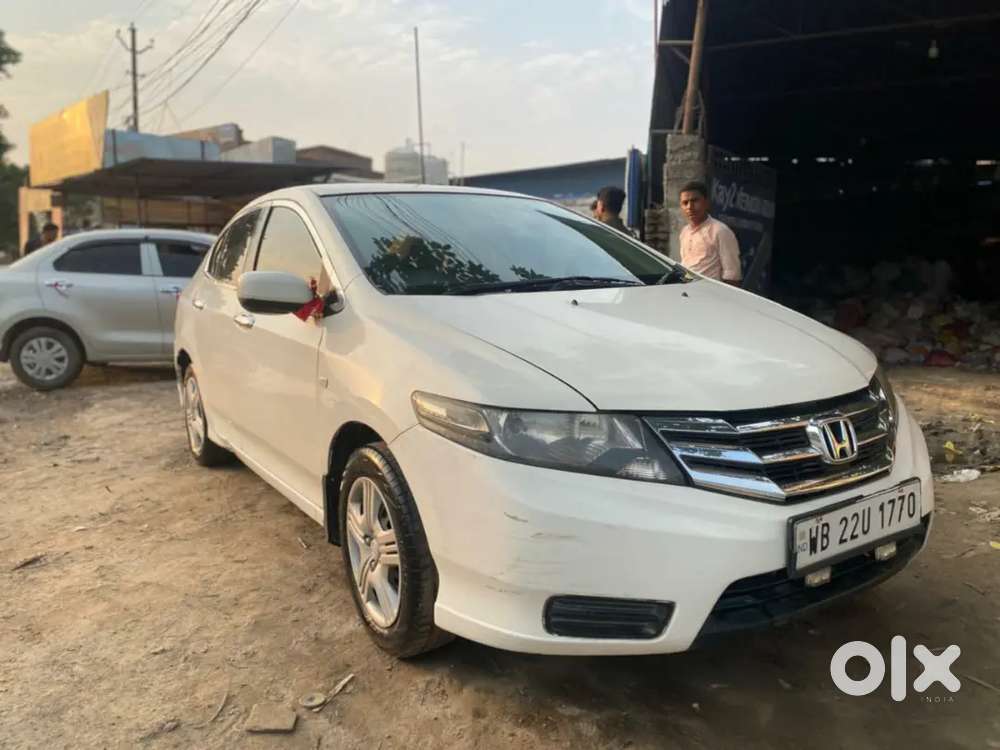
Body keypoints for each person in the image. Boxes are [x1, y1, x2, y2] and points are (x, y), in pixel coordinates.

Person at [678, 181, 742, 286]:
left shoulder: (720, 231)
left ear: (706, 203)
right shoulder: (684, 232)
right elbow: (687, 268)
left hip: (711, 294)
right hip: (688, 292)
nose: (690, 207)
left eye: (695, 201)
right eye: (685, 203)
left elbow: (732, 275)